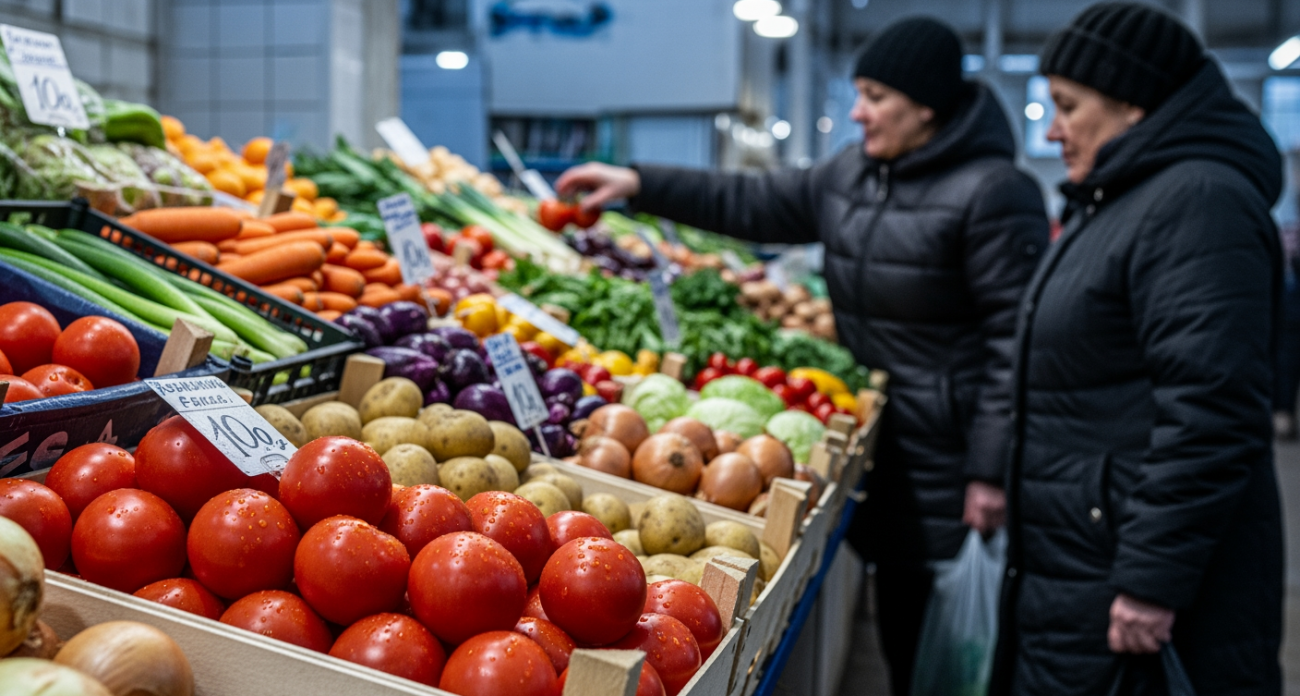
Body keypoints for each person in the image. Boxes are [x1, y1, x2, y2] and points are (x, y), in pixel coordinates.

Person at [557, 17, 1048, 694]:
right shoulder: (857, 173)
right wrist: (639, 183)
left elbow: (1015, 341)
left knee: (940, 638)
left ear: (926, 104)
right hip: (884, 433)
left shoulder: (995, 193)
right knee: (899, 608)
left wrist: (990, 471)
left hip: (955, 449)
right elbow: (753, 201)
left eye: (876, 95)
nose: (858, 111)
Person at [993, 4, 1284, 695]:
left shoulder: (1198, 204)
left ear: (1132, 103)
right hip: (1083, 557)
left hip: (1127, 576)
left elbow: (1212, 410)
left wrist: (1152, 580)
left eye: (1067, 106)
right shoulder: (1118, 199)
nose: (1051, 128)